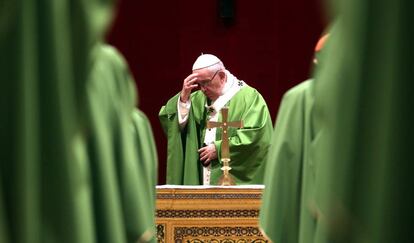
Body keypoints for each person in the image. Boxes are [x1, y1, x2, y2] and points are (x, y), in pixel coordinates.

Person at [159, 54, 273, 185]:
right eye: (199, 84)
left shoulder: (249, 98)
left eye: (206, 82)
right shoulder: (196, 99)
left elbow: (256, 137)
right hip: (203, 179)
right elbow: (169, 121)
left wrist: (219, 149)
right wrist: (183, 100)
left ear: (222, 76)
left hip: (235, 183)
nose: (202, 89)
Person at [259, 34, 328, 243]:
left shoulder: (297, 98)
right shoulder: (381, 98)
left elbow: (282, 167)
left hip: (310, 215)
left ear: (316, 60)